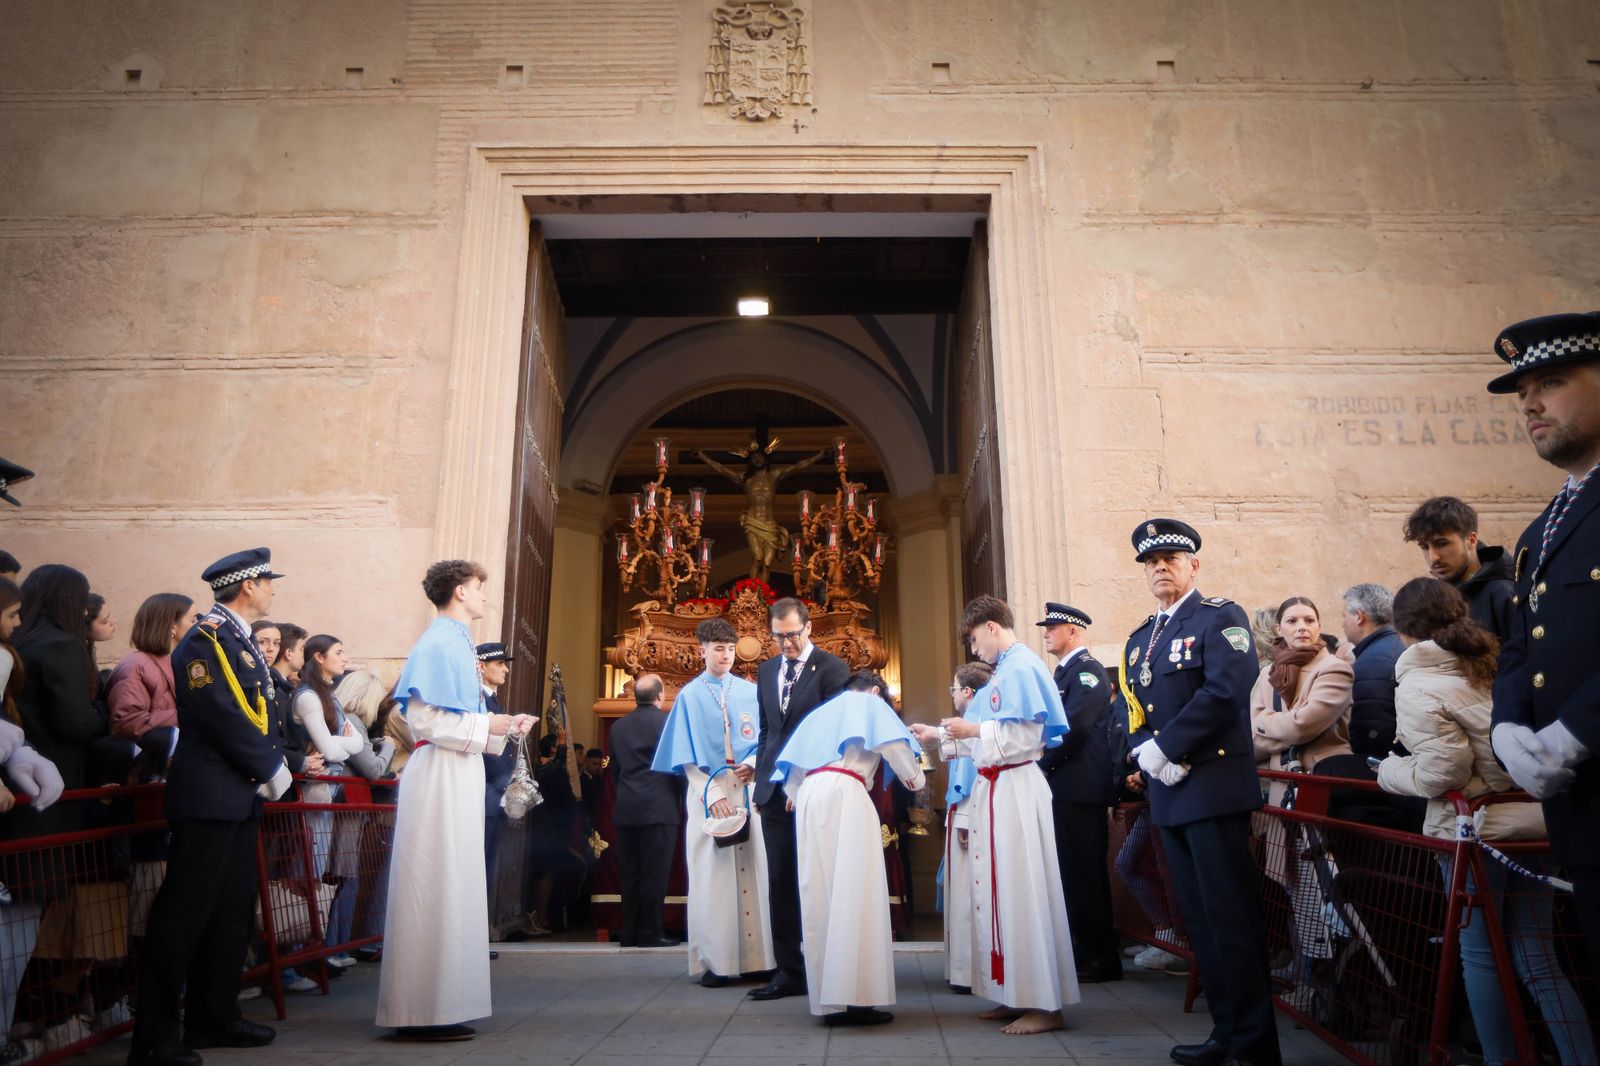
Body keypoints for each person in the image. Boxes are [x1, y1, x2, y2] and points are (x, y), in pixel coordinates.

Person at [1375, 578, 1592, 1065]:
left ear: (1403, 629)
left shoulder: (1418, 684)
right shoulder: (1491, 668)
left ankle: (1503, 1059)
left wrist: (1387, 770)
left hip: (1472, 831)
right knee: (1539, 959)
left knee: (1480, 957)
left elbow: (1441, 772)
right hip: (1531, 825)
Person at [1120, 519, 1280, 1066]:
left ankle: (1255, 1046)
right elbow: (1134, 707)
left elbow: (1225, 690)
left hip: (1212, 787)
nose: (1160, 567)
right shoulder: (1142, 638)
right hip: (1170, 794)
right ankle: (1226, 1033)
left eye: (1171, 557)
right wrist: (1146, 751)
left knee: (1231, 919)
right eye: (1151, 561)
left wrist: (1168, 748)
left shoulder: (1219, 617)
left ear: (1194, 565)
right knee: (1201, 924)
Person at [131, 548, 295, 1065]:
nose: (272, 589)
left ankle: (212, 1016)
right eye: (267, 581)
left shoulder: (237, 640)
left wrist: (275, 760)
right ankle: (155, 1038)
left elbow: (259, 712)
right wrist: (270, 767)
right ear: (247, 586)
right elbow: (219, 712)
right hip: (210, 796)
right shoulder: (204, 642)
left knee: (230, 913)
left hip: (238, 794)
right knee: (183, 916)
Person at [1485, 311, 1600, 982]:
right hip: (1578, 812)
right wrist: (1507, 728)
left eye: (1551, 382)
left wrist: (1575, 733)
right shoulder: (1541, 528)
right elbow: (1519, 645)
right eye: (1523, 391)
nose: (1530, 403)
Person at [376, 560, 534, 1041]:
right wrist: (491, 726)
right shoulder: (441, 640)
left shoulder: (459, 643)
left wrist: (498, 727)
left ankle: (444, 1004)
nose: (486, 595)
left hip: (456, 771)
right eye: (480, 588)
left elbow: (458, 720)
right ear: (460, 592)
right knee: (435, 880)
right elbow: (423, 721)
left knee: (455, 883)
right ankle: (420, 1009)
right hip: (440, 774)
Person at [910, 595, 1076, 1036]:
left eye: (972, 638)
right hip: (999, 788)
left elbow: (1027, 737)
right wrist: (938, 734)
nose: (973, 649)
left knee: (1023, 894)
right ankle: (1014, 992)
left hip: (1016, 787)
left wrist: (975, 729)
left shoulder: (1021, 668)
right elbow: (982, 735)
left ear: (990, 626)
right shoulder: (1006, 670)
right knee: (1005, 896)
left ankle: (1044, 1004)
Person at [775, 671, 925, 1025]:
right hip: (845, 790)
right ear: (875, 690)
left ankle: (829, 1001)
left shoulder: (821, 713)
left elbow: (792, 775)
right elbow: (895, 750)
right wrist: (915, 779)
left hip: (810, 795)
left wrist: (798, 795)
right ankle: (857, 997)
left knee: (820, 892)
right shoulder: (870, 704)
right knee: (856, 891)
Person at [652, 618, 775, 985]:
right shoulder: (690, 695)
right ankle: (718, 962)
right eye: (718, 649)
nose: (725, 656)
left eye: (730, 649)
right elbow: (685, 755)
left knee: (757, 869)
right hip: (709, 789)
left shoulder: (750, 691)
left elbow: (764, 738)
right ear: (702, 650)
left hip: (747, 786)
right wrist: (712, 793)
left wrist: (753, 762)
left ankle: (760, 961)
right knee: (713, 874)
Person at [747, 597, 849, 1001]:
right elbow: (768, 730)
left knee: (816, 880)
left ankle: (826, 966)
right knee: (780, 879)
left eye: (792, 635)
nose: (786, 644)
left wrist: (801, 779)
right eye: (778, 636)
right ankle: (789, 970)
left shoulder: (832, 668)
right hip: (772, 792)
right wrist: (762, 784)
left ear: (809, 629)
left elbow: (831, 730)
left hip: (811, 788)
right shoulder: (767, 670)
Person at [1249, 596, 1353, 984]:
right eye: (1292, 620)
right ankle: (1310, 979)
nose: (1302, 626)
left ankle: (1328, 983)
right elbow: (1253, 734)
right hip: (1280, 794)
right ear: (1279, 628)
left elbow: (1302, 727)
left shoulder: (1333, 669)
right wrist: (1281, 726)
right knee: (1296, 891)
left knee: (1323, 889)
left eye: (1310, 618)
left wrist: (1270, 724)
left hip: (1318, 793)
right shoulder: (1267, 675)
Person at [1033, 602, 1122, 983]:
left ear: (1073, 631)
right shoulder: (1064, 673)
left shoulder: (1087, 672)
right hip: (1066, 788)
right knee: (1070, 871)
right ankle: (1084, 951)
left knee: (1085, 873)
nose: (1047, 633)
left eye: (1053, 627)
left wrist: (1040, 762)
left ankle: (1101, 957)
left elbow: (1074, 728)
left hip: (1080, 788)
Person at [14, 565, 108, 827]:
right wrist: (102, 711)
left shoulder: (19, 639)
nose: (85, 611)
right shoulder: (62, 645)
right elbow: (76, 724)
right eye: (81, 601)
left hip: (18, 771)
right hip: (54, 778)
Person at [608, 673, 679, 949]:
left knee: (629, 872)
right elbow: (677, 768)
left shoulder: (618, 727)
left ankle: (629, 931)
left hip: (627, 806)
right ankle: (651, 932)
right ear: (660, 696)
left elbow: (614, 769)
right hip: (660, 807)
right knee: (655, 873)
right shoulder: (668, 723)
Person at [697, 445, 825, 582]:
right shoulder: (746, 479)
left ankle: (762, 594)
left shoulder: (774, 476)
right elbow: (722, 469)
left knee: (767, 563)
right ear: (750, 462)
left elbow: (798, 466)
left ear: (765, 459)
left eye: (759, 456)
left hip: (770, 525)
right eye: (754, 458)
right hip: (752, 521)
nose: (757, 460)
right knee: (758, 557)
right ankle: (753, 593)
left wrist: (819, 455)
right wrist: (701, 456)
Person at [940, 659, 991, 994]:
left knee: (965, 892)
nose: (953, 695)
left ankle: (967, 969)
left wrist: (963, 819)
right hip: (961, 809)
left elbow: (968, 772)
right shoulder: (971, 719)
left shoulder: (973, 719)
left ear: (968, 692)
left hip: (967, 809)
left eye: (955, 689)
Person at [1403, 496, 1515, 641]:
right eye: (1425, 547)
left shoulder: (1503, 592)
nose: (1433, 557)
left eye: (1441, 544)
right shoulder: (1437, 598)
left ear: (1471, 540)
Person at [107, 594, 192, 740]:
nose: (199, 625)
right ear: (173, 626)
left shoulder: (178, 660)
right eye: (193, 620)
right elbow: (126, 722)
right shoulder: (134, 666)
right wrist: (189, 716)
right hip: (153, 758)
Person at [1340, 583, 1405, 758]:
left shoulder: (1373, 660)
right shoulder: (1399, 645)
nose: (1342, 623)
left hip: (1382, 768)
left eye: (1344, 616)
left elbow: (1373, 729)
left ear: (1359, 616)